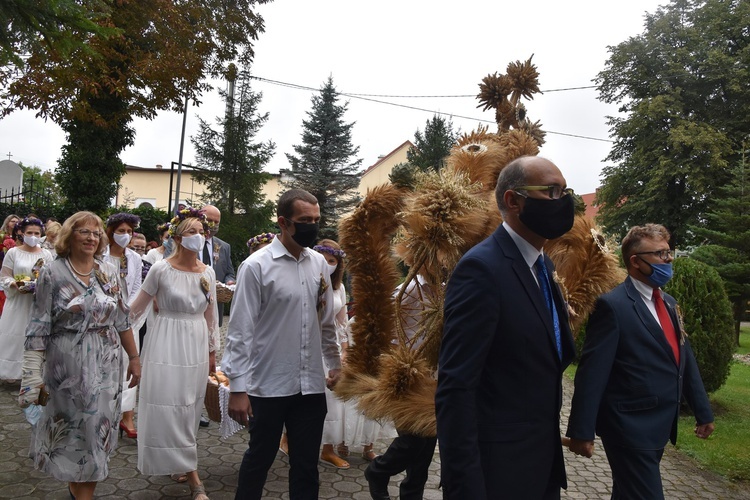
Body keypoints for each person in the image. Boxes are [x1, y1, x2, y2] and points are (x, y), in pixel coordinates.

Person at [435, 156, 577, 500]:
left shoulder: (542, 265)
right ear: (514, 201)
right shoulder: (482, 269)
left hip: (540, 466)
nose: (564, 202)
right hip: (496, 472)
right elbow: (456, 387)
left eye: (565, 191)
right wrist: (465, 485)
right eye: (552, 191)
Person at [566, 223, 715, 499]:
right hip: (628, 427)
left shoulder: (669, 303)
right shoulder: (613, 306)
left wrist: (702, 411)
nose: (668, 260)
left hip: (659, 425)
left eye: (669, 252)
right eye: (659, 254)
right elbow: (592, 373)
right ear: (636, 261)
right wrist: (581, 431)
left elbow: (684, 357)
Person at [224, 189, 341, 500]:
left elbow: (326, 321)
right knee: (259, 460)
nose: (312, 226)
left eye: (316, 220)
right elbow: (240, 330)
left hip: (310, 386)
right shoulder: (256, 266)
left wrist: (336, 365)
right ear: (283, 222)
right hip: (269, 384)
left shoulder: (318, 264)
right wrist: (237, 387)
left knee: (306, 466)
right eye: (304, 220)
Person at [18, 211, 140, 500]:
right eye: (84, 231)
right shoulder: (52, 272)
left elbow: (122, 319)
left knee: (97, 432)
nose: (91, 237)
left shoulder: (108, 271)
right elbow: (38, 326)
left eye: (96, 233)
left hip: (107, 362)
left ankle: (81, 492)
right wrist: (32, 375)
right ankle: (79, 491)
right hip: (67, 365)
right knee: (75, 432)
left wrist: (134, 358)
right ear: (70, 235)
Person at [128, 207, 219, 500]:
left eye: (201, 232)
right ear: (178, 237)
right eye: (191, 231)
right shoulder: (161, 269)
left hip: (195, 344)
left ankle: (180, 459)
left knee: (189, 406)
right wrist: (121, 342)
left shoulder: (208, 272)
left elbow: (212, 316)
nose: (198, 236)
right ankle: (193, 477)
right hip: (166, 340)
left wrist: (213, 353)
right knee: (168, 402)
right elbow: (135, 310)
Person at [365, 274, 438, 500]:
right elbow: (386, 329)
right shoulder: (409, 289)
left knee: (425, 453)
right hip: (408, 377)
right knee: (412, 442)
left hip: (435, 379)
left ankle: (411, 495)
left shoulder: (446, 288)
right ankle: (378, 471)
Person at [103, 212, 143, 439]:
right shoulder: (101, 256)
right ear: (111, 233)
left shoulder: (135, 258)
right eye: (121, 231)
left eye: (129, 231)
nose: (125, 236)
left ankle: (127, 415)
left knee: (129, 365)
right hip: (106, 318)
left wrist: (127, 310)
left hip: (128, 319)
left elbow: (137, 286)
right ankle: (107, 414)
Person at [0, 217, 54, 380]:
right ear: (21, 233)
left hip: (37, 303)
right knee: (14, 335)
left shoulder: (46, 254)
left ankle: (32, 373)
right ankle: (9, 372)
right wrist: (14, 284)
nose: (33, 236)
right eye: (29, 232)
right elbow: (4, 275)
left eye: (36, 233)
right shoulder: (13, 252)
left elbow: (52, 276)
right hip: (17, 301)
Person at [314, 239, 351, 469]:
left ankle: (327, 449)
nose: (328, 264)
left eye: (332, 261)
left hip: (332, 346)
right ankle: (287, 438)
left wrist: (345, 350)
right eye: (324, 260)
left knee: (333, 400)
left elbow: (342, 319)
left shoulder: (339, 287)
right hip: (310, 343)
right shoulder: (309, 281)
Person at [200, 204, 236, 325]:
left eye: (217, 222)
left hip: (214, 305)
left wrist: (229, 282)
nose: (213, 224)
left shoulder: (224, 247)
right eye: (209, 220)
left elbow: (229, 273)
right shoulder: (186, 242)